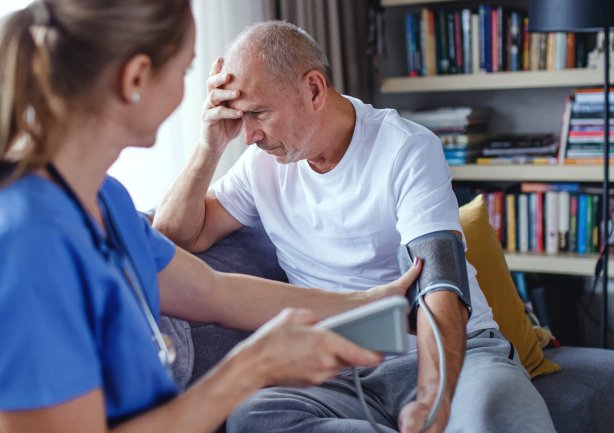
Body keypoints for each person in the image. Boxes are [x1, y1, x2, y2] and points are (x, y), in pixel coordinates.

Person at [0, 2, 422, 433]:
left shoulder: (105, 199)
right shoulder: (28, 243)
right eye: (185, 72)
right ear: (135, 79)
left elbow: (217, 292)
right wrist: (248, 370)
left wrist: (374, 301)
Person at [154, 20, 556, 433]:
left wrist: (433, 396)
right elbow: (170, 240)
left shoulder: (405, 148)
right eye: (241, 117)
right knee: (253, 417)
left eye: (258, 113)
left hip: (450, 355)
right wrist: (209, 147)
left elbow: (441, 285)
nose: (250, 134)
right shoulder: (261, 165)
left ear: (313, 89)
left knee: (503, 421)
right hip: (337, 374)